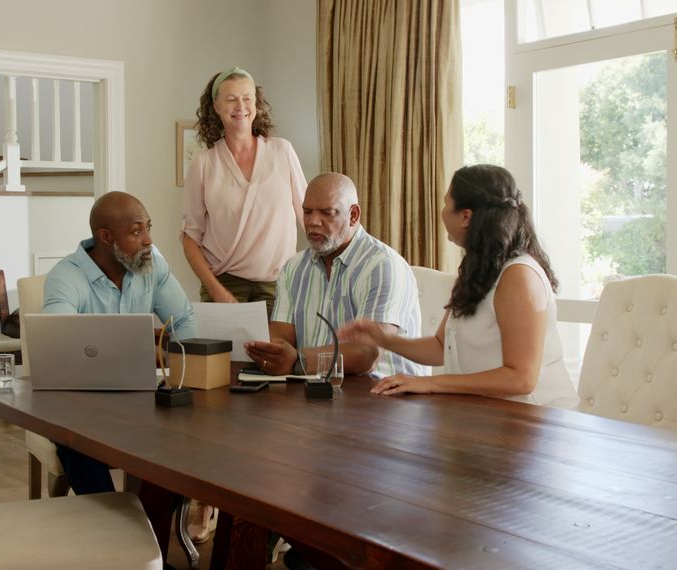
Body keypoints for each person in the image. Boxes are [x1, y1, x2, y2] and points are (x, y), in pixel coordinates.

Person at [338, 164, 579, 408]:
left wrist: (431, 384)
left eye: (445, 204)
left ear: (465, 216)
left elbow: (521, 379)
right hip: (490, 418)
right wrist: (384, 340)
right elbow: (441, 346)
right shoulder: (478, 268)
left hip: (539, 421)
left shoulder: (519, 275)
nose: (442, 213)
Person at [43, 191, 198, 495]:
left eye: (148, 228)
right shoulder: (66, 277)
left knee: (191, 428)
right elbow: (58, 346)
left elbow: (183, 322)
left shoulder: (154, 264)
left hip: (139, 398)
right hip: (80, 405)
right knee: (77, 441)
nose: (148, 240)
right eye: (136, 231)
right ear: (105, 237)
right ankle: (111, 526)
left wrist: (183, 378)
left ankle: (154, 519)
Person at [244, 172, 422, 379]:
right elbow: (281, 334)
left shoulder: (382, 266)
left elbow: (368, 353)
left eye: (327, 213)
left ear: (353, 215)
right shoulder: (293, 267)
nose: (313, 222)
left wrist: (298, 361)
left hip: (383, 395)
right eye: (307, 212)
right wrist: (271, 351)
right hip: (316, 388)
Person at [181, 66, 306, 314]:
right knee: (225, 354)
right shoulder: (204, 163)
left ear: (256, 104)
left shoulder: (282, 151)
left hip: (278, 284)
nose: (240, 106)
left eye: (247, 98)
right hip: (224, 284)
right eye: (231, 99)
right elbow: (190, 238)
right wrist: (216, 290)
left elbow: (308, 216)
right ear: (216, 106)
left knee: (276, 353)